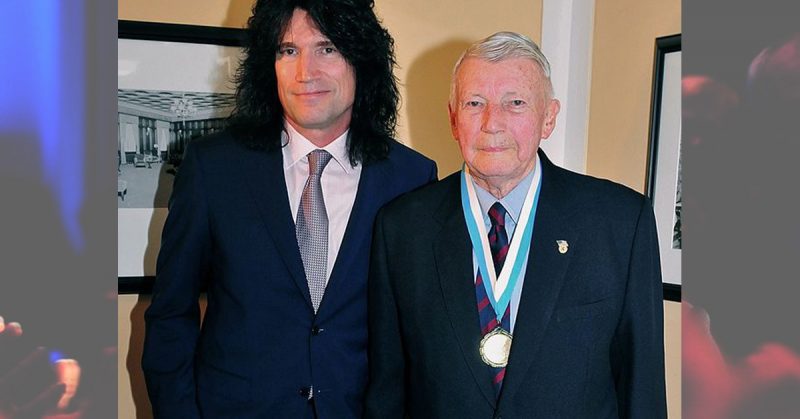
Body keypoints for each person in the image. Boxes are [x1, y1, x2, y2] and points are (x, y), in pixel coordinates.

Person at [141, 0, 437, 417]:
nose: (306, 72)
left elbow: (421, 337)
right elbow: (171, 316)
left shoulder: (411, 178)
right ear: (269, 65)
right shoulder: (214, 170)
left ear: (361, 61)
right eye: (288, 50)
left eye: (327, 48)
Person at [365, 32, 666, 418]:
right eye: (475, 103)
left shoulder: (621, 222)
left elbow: (643, 390)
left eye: (515, 103)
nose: (492, 123)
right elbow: (386, 392)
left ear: (549, 118)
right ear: (453, 119)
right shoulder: (402, 229)